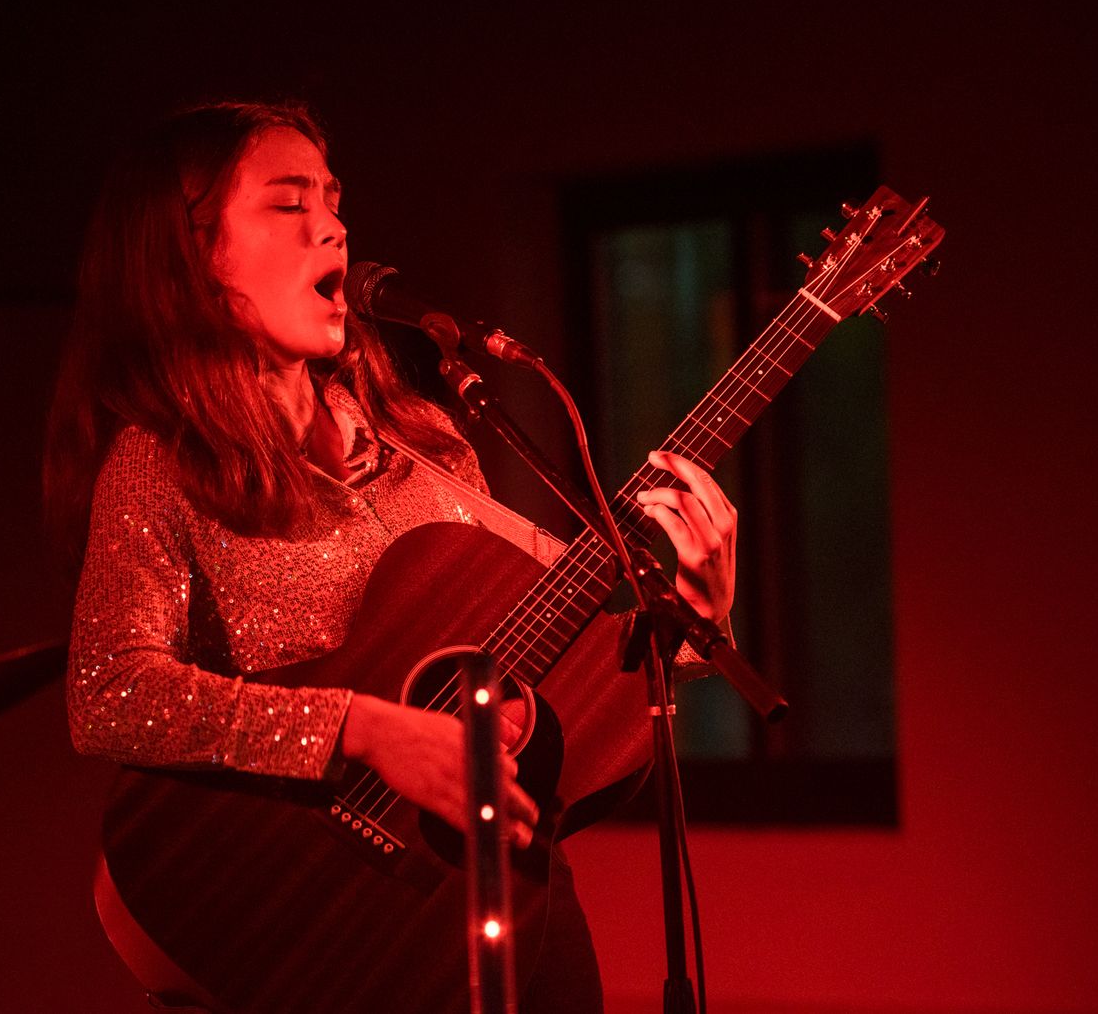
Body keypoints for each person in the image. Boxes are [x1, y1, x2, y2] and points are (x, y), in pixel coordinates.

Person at [45, 101, 737, 1014]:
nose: (333, 226)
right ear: (191, 255)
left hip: (491, 892)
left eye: (333, 202)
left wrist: (691, 616)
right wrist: (365, 730)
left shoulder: (425, 446)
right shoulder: (162, 462)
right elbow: (110, 694)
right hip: (302, 921)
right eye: (289, 204)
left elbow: (573, 653)